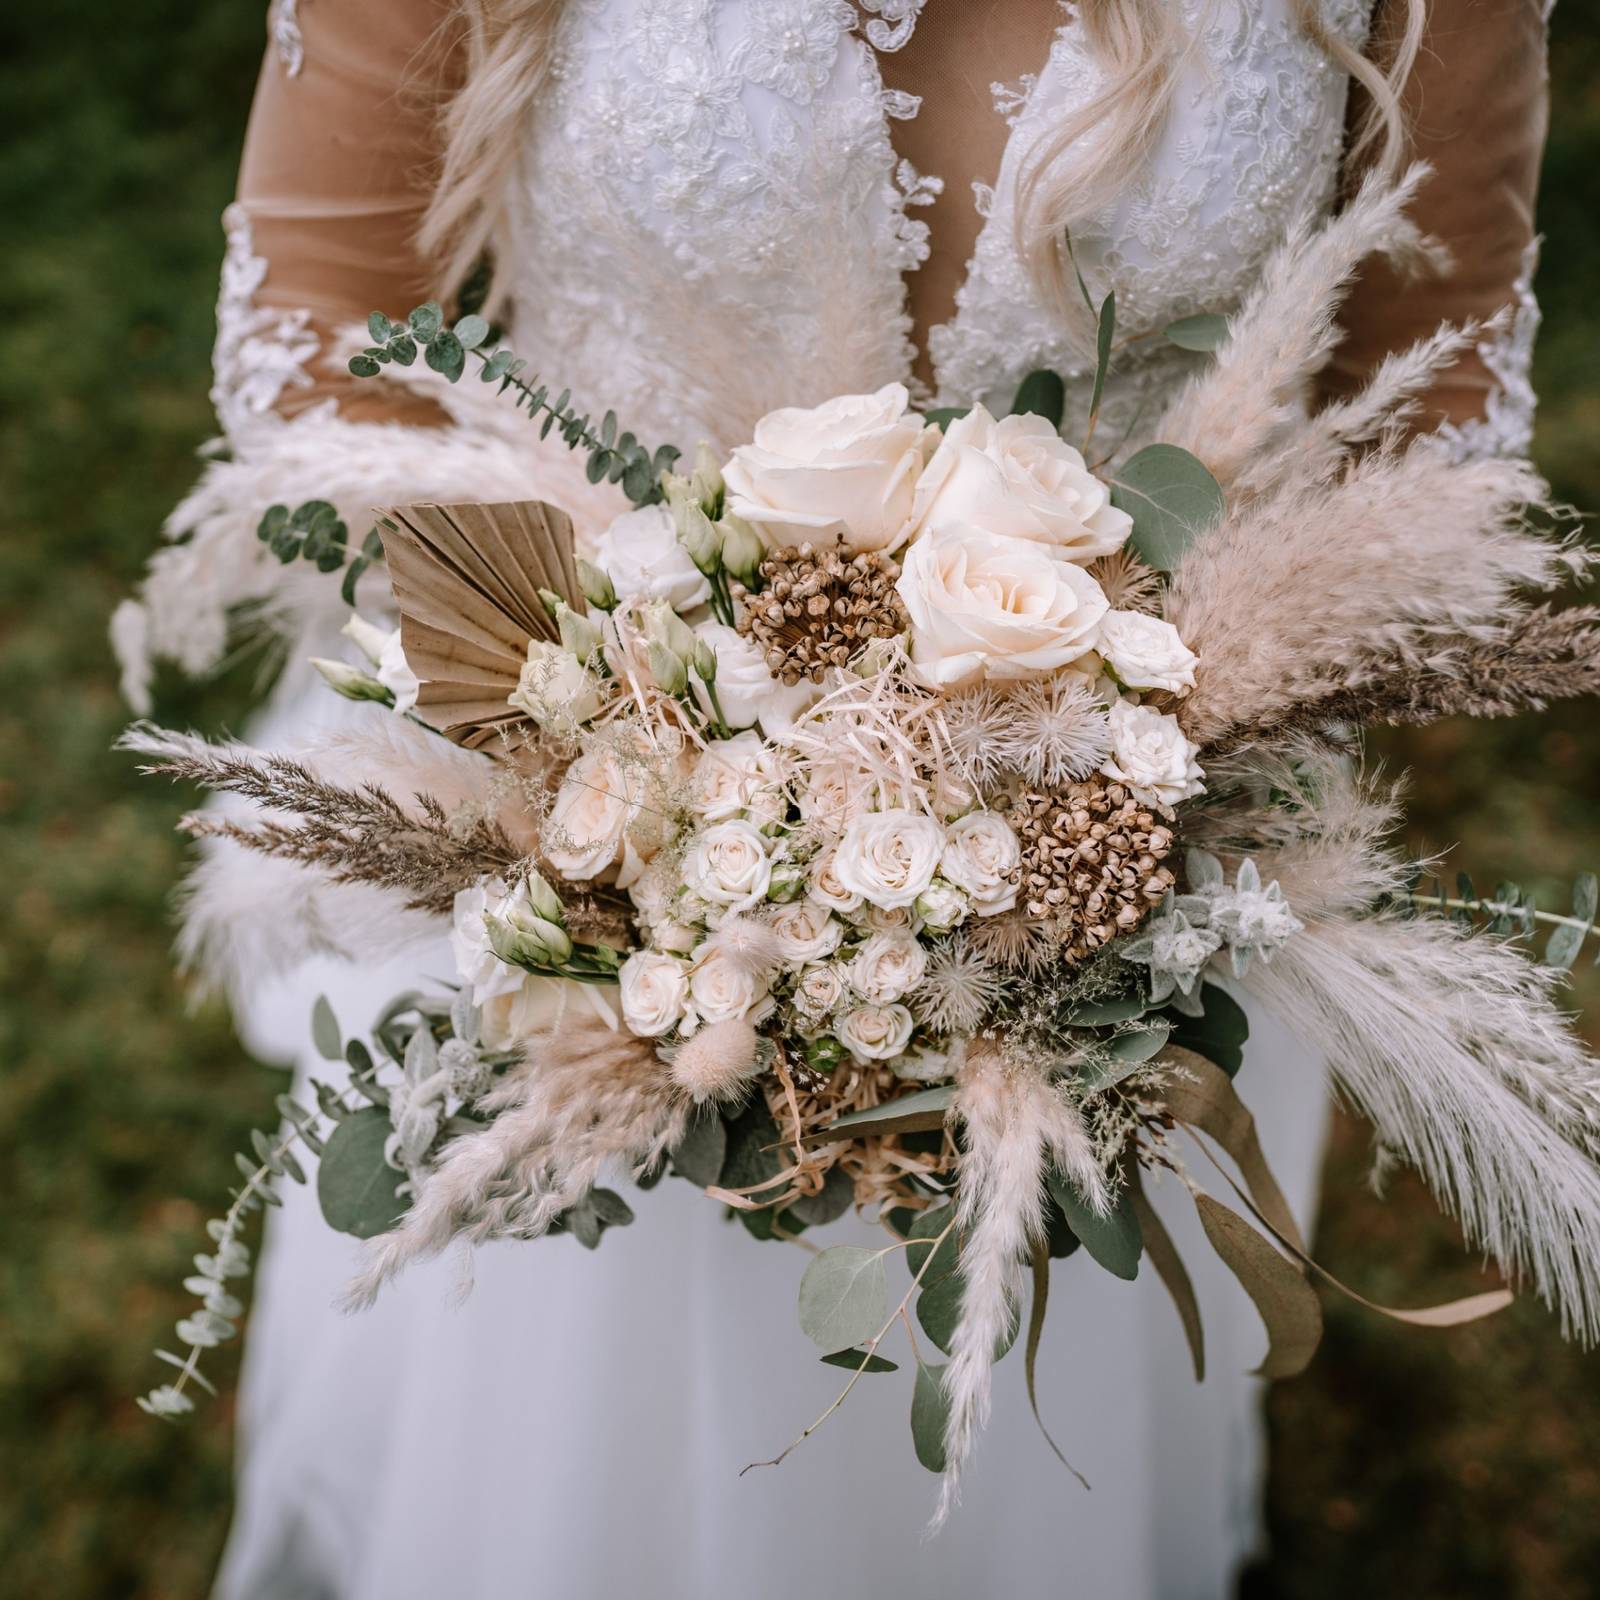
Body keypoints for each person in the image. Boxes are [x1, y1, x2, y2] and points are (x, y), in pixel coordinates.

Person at [116, 2, 1552, 1595]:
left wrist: (1132, 781)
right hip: (595, 856)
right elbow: (318, 342)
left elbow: (1442, 393)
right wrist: (637, 788)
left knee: (1015, 1434)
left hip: (1117, 881)